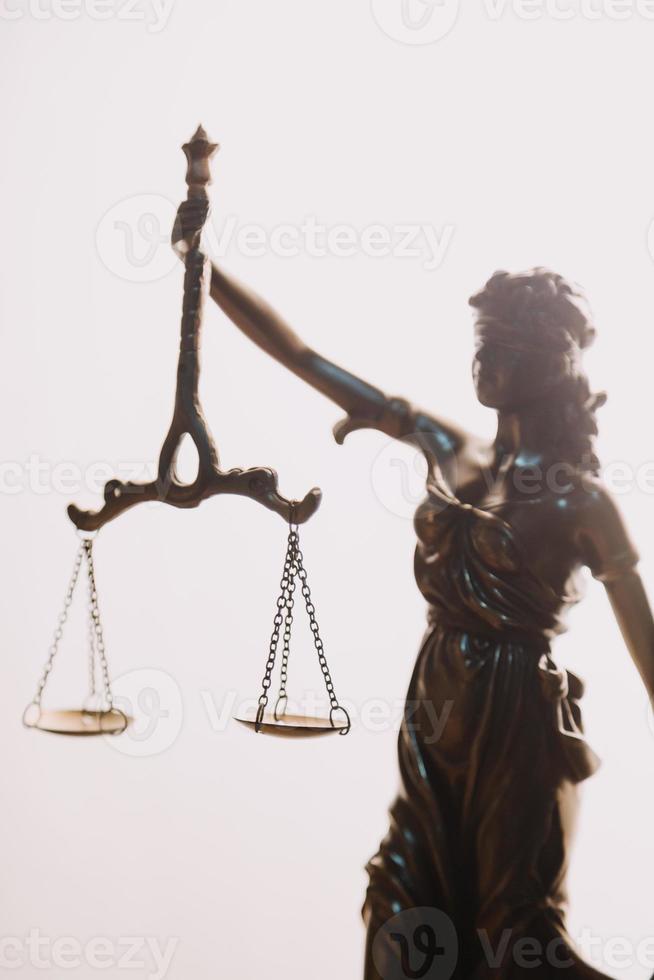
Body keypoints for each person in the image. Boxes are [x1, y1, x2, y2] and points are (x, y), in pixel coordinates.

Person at [174, 202, 654, 978]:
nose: (483, 362)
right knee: (403, 913)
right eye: (479, 345)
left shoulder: (581, 503)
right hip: (436, 706)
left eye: (504, 347)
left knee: (513, 941)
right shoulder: (445, 445)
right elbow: (301, 353)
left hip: (516, 723)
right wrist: (198, 265)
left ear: (555, 362)